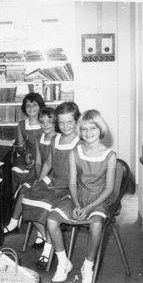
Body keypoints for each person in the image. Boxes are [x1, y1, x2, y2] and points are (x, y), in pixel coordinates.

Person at [47, 110, 116, 283]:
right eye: (83, 129)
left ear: (101, 129)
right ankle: (63, 262)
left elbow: (109, 189)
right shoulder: (75, 152)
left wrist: (88, 208)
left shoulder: (110, 155)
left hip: (99, 199)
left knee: (96, 224)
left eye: (92, 128)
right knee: (51, 219)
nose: (88, 133)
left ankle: (88, 265)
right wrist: (77, 204)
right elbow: (72, 183)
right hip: (78, 197)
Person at [21, 101, 81, 270]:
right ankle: (47, 236)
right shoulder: (56, 138)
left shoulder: (79, 142)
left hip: (70, 185)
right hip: (53, 179)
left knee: (47, 208)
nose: (65, 126)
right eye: (61, 122)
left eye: (70, 122)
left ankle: (48, 248)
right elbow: (48, 163)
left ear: (76, 121)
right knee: (28, 198)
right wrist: (40, 180)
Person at [4, 107, 57, 244]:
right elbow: (39, 163)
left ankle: (43, 235)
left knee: (30, 194)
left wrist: (39, 181)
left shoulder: (57, 139)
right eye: (42, 121)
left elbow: (50, 165)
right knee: (23, 192)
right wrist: (37, 179)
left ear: (55, 123)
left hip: (53, 176)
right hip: (39, 173)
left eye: (49, 122)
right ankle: (15, 223)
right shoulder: (40, 137)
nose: (45, 124)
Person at [11, 93, 45, 195]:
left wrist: (37, 160)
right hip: (27, 158)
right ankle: (13, 198)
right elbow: (19, 147)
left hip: (43, 159)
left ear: (40, 107)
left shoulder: (45, 124)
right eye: (28, 105)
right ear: (24, 108)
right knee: (15, 170)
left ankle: (23, 195)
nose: (31, 108)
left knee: (33, 176)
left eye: (34, 105)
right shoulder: (21, 125)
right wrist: (25, 154)